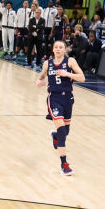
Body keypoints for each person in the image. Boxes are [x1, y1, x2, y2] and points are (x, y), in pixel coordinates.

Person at [35, 40, 85, 176]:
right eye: (56, 47)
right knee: (63, 131)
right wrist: (40, 81)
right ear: (53, 49)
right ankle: (64, 164)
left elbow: (82, 78)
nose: (58, 49)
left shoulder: (71, 62)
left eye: (60, 47)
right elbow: (42, 76)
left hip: (68, 99)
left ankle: (55, 135)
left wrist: (67, 74)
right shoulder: (47, 63)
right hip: (54, 99)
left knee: (65, 131)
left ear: (65, 50)